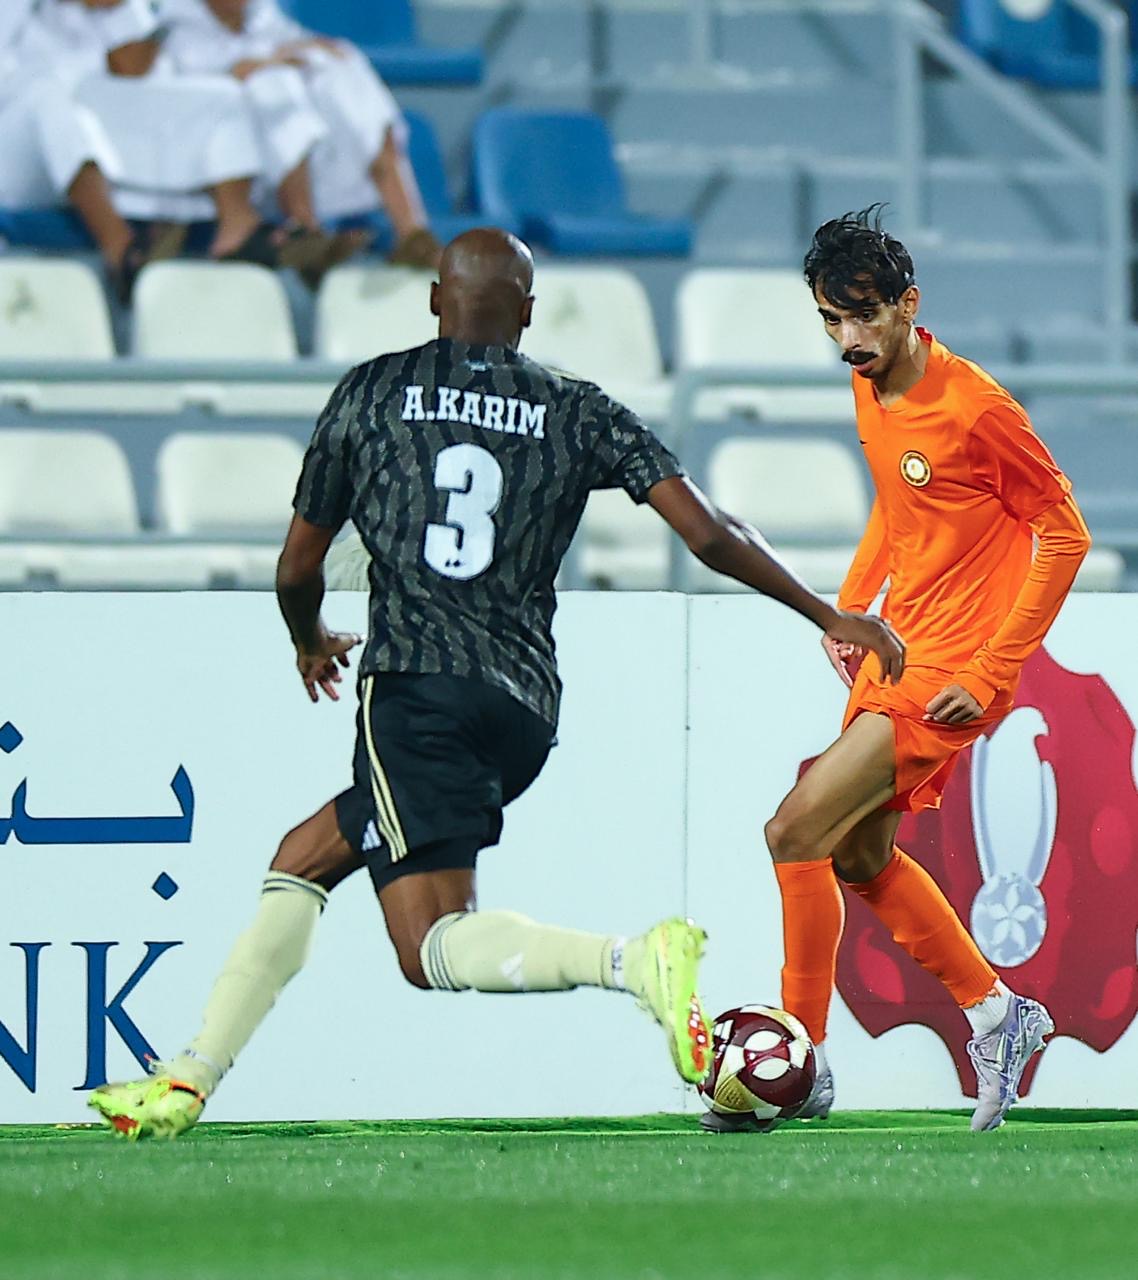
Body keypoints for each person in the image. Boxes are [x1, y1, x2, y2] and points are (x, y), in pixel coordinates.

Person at [88, 227, 904, 1141]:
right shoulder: (577, 406)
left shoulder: (372, 391)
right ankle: (190, 1081)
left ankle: (633, 962)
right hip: (522, 710)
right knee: (305, 854)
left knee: (430, 948)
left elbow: (296, 568)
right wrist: (824, 612)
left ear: (436, 299)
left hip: (415, 689)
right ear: (528, 312)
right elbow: (710, 532)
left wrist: (309, 639)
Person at [717, 207, 1090, 1135]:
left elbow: (1065, 535)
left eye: (864, 317)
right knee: (859, 855)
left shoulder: (977, 409)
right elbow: (897, 502)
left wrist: (996, 672)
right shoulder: (870, 382)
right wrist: (853, 605)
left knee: (793, 829)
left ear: (909, 305)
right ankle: (998, 1015)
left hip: (953, 671)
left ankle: (799, 1063)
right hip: (897, 651)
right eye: (832, 321)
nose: (849, 339)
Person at [0, 0, 289, 301]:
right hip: (16, 146)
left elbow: (132, 69)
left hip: (83, 135)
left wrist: (119, 8)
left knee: (223, 97)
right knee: (51, 95)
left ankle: (237, 228)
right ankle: (121, 249)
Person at [155, 0, 442, 269]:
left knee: (344, 66)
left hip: (289, 145)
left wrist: (306, 51)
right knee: (275, 84)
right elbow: (203, 87)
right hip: (227, 165)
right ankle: (303, 227)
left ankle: (410, 232)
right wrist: (270, 62)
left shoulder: (260, 13)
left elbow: (290, 41)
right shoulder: (173, 26)